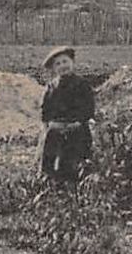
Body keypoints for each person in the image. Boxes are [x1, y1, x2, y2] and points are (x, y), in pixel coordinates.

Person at [38, 46, 95, 187]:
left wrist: (79, 121)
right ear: (53, 69)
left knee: (76, 156)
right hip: (56, 126)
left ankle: (77, 181)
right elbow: (45, 109)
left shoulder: (82, 85)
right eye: (58, 64)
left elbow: (88, 107)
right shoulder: (51, 87)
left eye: (65, 61)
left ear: (72, 62)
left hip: (77, 126)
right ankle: (49, 179)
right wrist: (49, 123)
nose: (62, 66)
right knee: (49, 149)